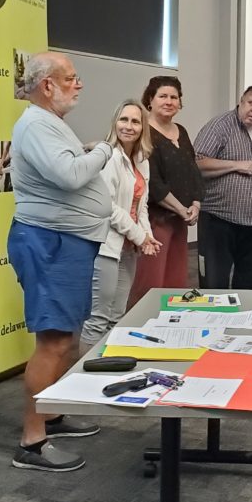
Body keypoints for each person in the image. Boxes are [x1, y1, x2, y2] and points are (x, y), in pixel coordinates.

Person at [8, 51, 113, 472]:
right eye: (72, 77)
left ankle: (50, 415)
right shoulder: (35, 122)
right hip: (49, 244)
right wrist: (104, 151)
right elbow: (68, 176)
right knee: (52, 342)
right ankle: (32, 442)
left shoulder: (48, 123)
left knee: (65, 338)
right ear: (47, 85)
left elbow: (64, 168)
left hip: (66, 242)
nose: (80, 84)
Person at [80, 99, 162, 353]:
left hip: (128, 248)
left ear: (143, 127)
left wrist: (147, 235)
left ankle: (107, 369)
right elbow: (109, 207)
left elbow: (141, 205)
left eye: (135, 121)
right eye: (123, 119)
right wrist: (140, 237)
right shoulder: (109, 157)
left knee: (117, 318)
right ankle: (85, 381)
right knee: (97, 320)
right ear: (114, 122)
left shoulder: (141, 160)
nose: (128, 126)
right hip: (106, 246)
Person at [194, 85, 252, 288]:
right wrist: (236, 165)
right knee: (214, 281)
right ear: (241, 102)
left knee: (251, 280)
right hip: (219, 219)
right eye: (251, 103)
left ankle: (245, 318)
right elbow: (197, 163)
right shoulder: (220, 126)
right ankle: (213, 319)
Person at [126, 76, 205, 307]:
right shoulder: (143, 133)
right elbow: (153, 182)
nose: (169, 101)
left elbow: (193, 170)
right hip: (153, 221)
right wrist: (181, 208)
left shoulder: (181, 130)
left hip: (180, 220)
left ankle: (171, 334)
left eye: (174, 97)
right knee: (150, 284)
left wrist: (196, 204)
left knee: (176, 282)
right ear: (150, 100)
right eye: (163, 96)